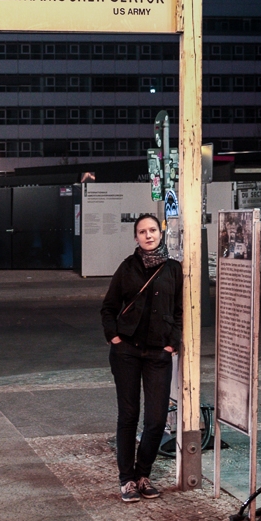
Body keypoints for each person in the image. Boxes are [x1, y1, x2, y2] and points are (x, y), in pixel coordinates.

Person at [100, 213, 183, 503]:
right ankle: (127, 480)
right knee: (129, 415)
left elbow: (180, 310)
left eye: (152, 230)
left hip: (158, 353)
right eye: (142, 232)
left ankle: (143, 473)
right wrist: (115, 337)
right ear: (136, 237)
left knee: (157, 418)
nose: (148, 235)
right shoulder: (127, 267)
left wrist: (172, 344)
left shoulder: (173, 269)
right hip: (127, 351)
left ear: (160, 233)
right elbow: (108, 307)